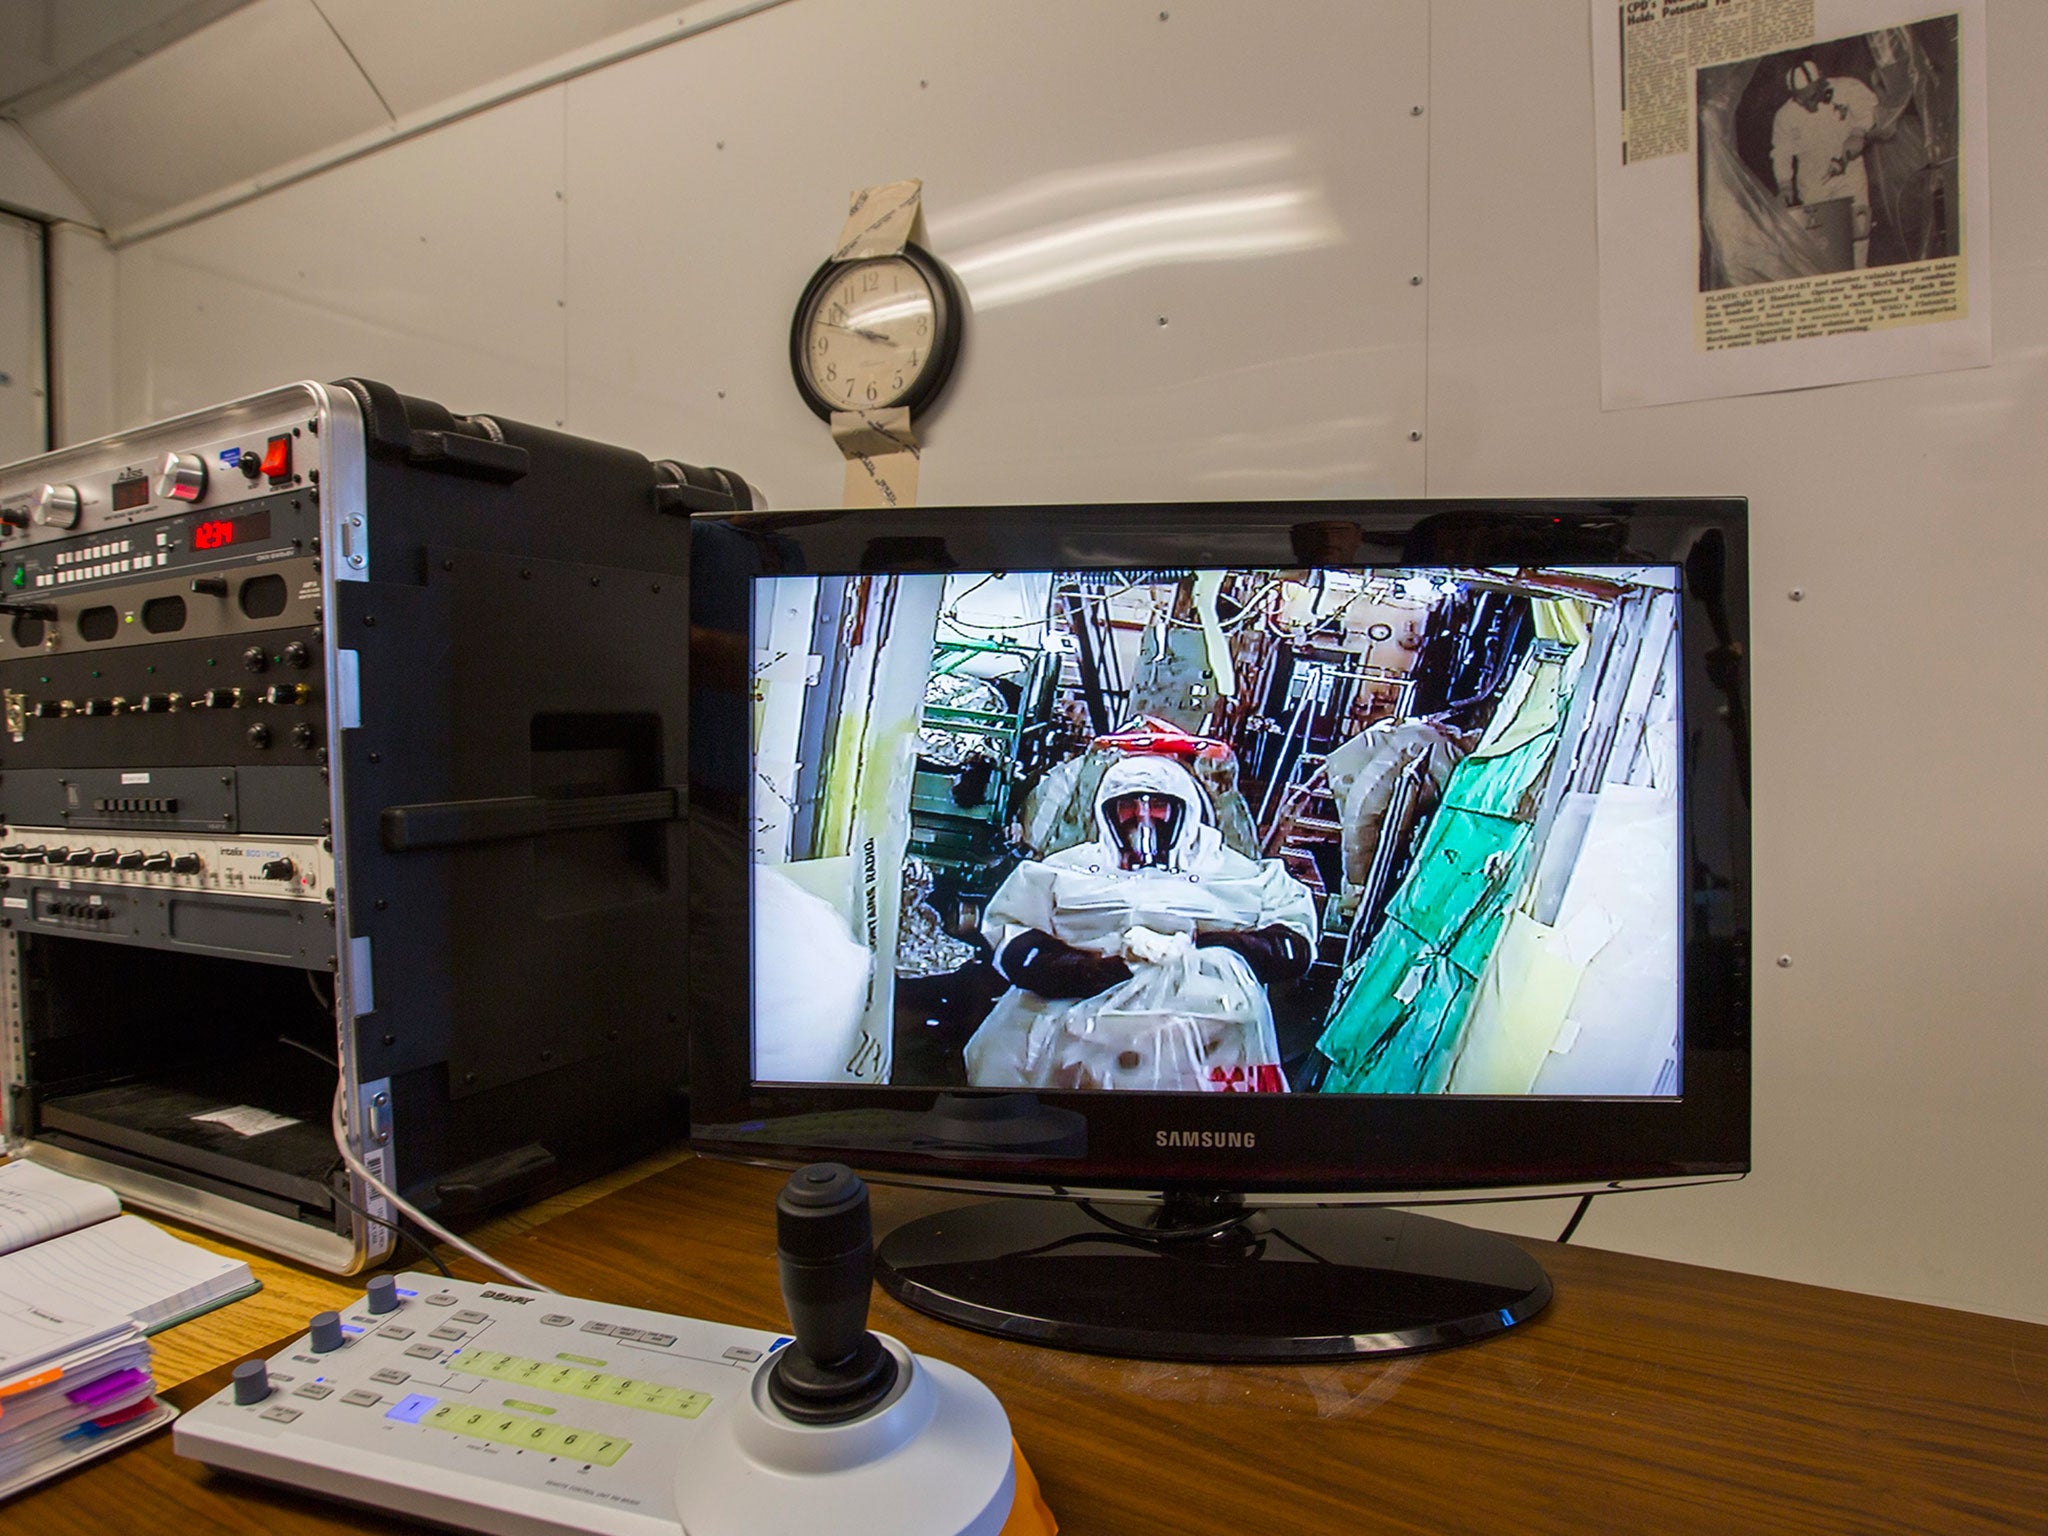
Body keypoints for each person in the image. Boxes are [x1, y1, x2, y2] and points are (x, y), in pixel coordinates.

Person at [963, 754, 1317, 1091]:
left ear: (1185, 810)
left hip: (1205, 1027)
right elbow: (1011, 931)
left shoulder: (1235, 872)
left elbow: (1292, 940)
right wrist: (1076, 970)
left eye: (1157, 806)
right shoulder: (1063, 870)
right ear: (1108, 812)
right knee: (1009, 1055)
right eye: (1128, 806)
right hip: (1078, 1015)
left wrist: (1210, 949)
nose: (1143, 818)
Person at [1771, 60, 1883, 269]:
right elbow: (1782, 152)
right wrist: (1784, 184)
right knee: (1820, 237)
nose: (1810, 105)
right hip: (1813, 180)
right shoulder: (1785, 117)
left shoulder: (1846, 88)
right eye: (1802, 101)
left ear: (1822, 83)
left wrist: (1859, 132)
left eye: (1813, 97)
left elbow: (1870, 107)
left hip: (1850, 172)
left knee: (1859, 229)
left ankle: (1859, 272)